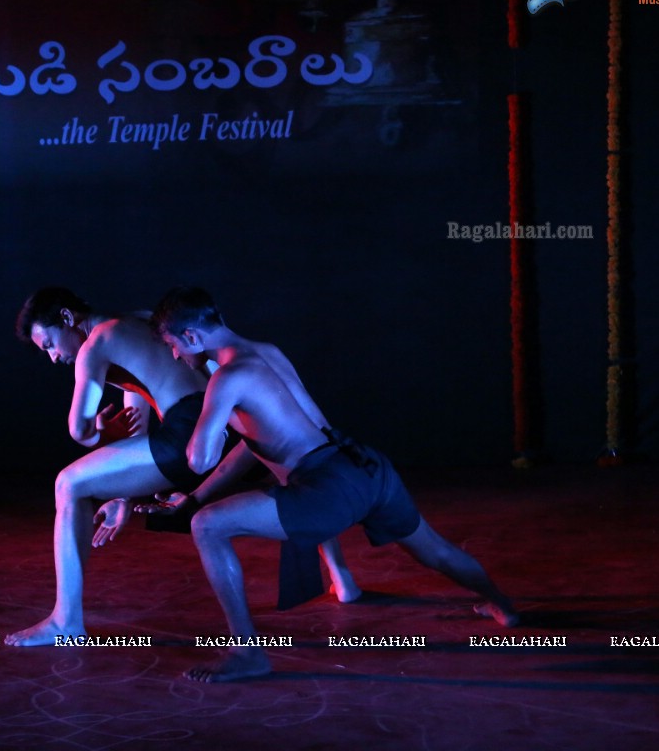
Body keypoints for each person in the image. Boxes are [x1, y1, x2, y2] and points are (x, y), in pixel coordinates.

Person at [147, 286, 519, 682]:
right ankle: (502, 606)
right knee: (437, 551)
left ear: (191, 337)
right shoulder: (266, 352)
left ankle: (247, 653)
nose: (174, 355)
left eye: (172, 345)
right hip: (363, 466)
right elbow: (261, 443)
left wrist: (208, 424)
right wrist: (196, 496)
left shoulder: (226, 378)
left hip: (326, 488)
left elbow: (198, 459)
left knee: (208, 525)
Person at [6, 287, 362, 647]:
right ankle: (342, 578)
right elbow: (138, 421)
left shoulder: (93, 345)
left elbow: (79, 429)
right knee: (288, 467)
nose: (53, 357)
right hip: (226, 417)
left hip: (185, 434)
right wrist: (122, 494)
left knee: (67, 484)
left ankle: (66, 620)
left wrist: (99, 429)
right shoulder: (145, 320)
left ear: (67, 318)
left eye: (49, 344)